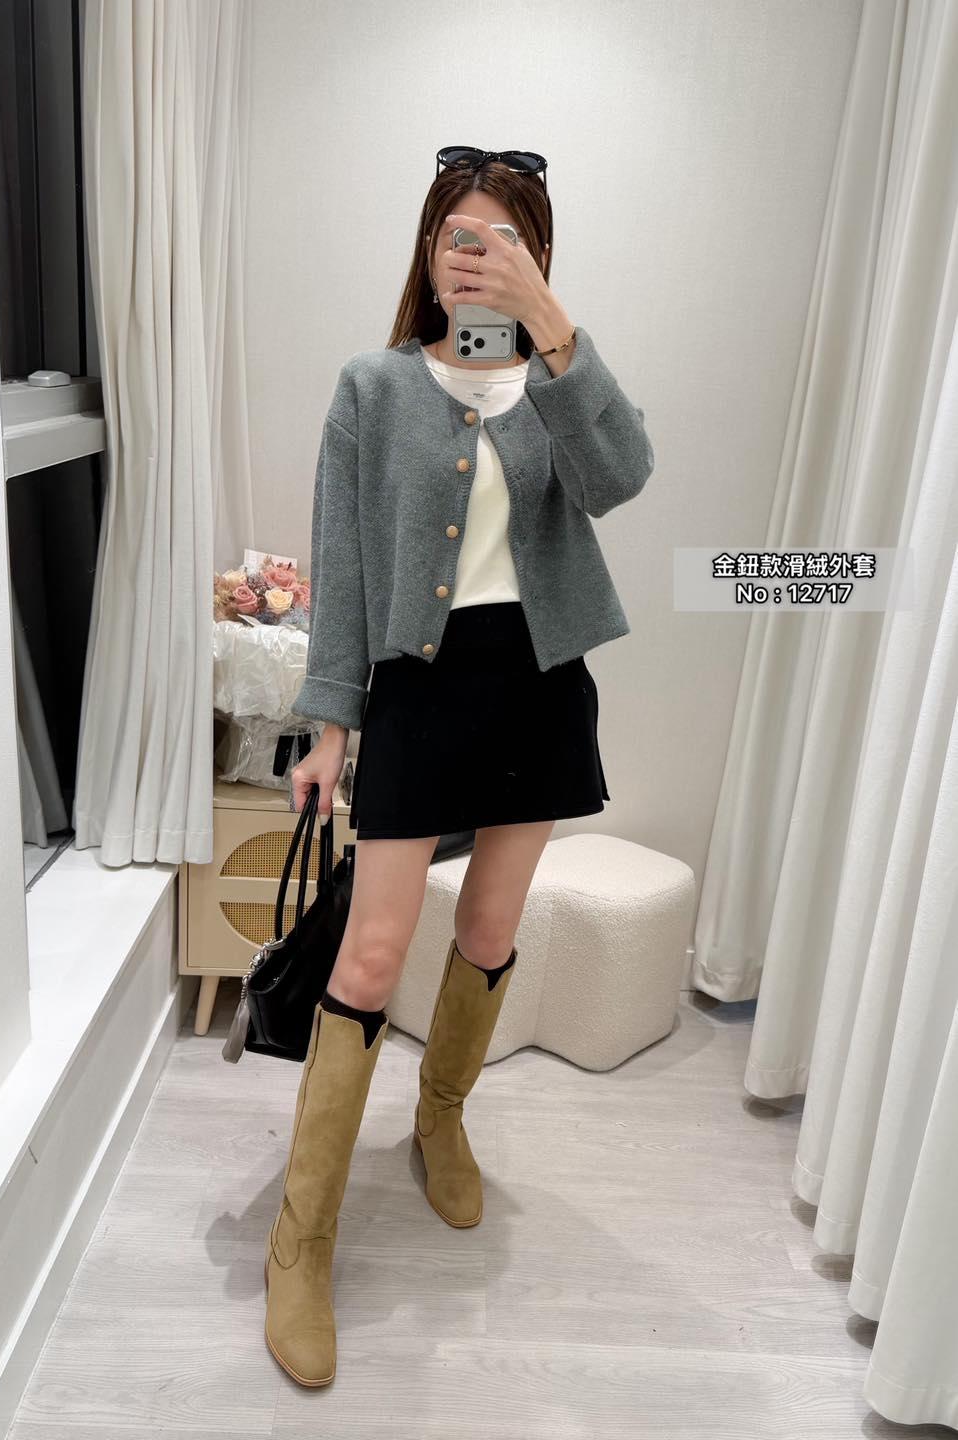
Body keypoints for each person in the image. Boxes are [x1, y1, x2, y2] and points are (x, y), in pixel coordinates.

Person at [264, 146, 655, 1387]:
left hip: (538, 682)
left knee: (488, 930)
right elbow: (340, 567)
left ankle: (440, 1121)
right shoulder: (374, 385)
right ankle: (300, 1238)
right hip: (420, 690)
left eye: (503, 239)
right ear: (428, 252)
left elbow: (621, 479)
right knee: (373, 955)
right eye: (457, 235)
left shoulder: (559, 384)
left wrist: (552, 328)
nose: (475, 255)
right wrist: (330, 727)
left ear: (538, 258)